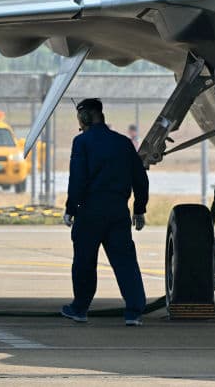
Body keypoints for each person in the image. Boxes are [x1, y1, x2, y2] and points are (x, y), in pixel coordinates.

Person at [61, 98, 149, 327]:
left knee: (84, 262)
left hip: (90, 212)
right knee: (125, 262)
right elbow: (140, 178)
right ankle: (134, 312)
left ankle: (80, 308)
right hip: (118, 212)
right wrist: (139, 209)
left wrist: (71, 208)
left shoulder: (82, 143)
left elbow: (77, 179)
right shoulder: (123, 143)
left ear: (84, 118)